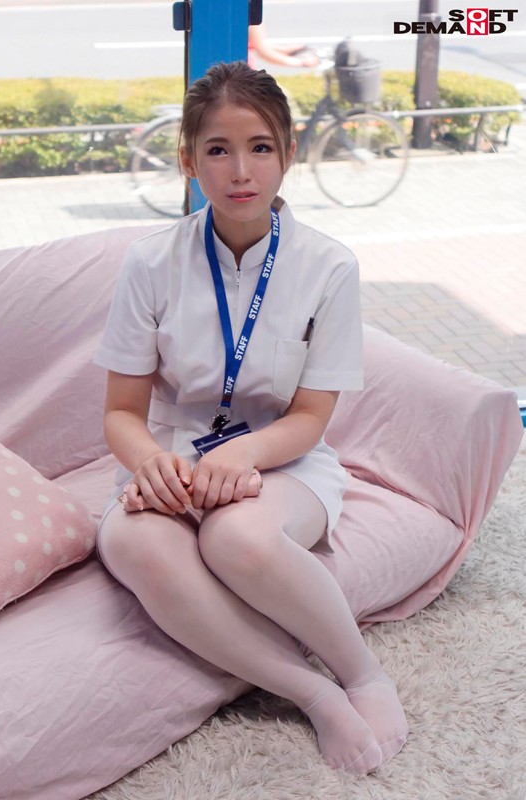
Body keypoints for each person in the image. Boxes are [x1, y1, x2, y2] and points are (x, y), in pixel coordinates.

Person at [93, 61, 408, 775]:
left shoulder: (329, 267)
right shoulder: (149, 263)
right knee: (135, 545)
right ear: (188, 160)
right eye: (218, 149)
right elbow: (120, 412)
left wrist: (240, 456)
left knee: (236, 538)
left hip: (285, 462)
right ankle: (312, 694)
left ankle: (363, 675)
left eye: (260, 147)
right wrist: (152, 463)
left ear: (288, 153)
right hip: (171, 463)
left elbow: (310, 416)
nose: (241, 171)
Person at [248, 22, 319, 69]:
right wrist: (302, 63)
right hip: (246, 73)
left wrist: (284, 49)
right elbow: (263, 52)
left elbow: (258, 43)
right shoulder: (252, 8)